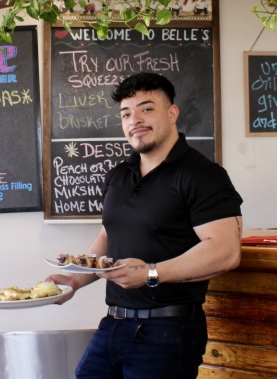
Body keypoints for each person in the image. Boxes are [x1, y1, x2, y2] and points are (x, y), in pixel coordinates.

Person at [48, 72, 243, 379]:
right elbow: (108, 235)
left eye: (147, 108)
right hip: (112, 324)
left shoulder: (203, 175)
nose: (134, 120)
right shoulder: (118, 175)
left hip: (168, 331)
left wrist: (151, 273)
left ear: (172, 112)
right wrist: (76, 279)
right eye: (126, 113)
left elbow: (226, 251)